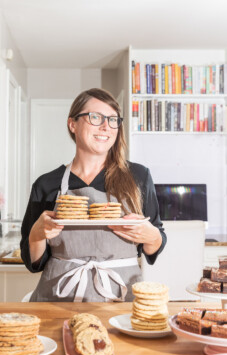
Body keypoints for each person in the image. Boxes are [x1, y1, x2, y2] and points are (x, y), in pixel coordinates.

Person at [20, 88, 167, 303]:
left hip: (121, 294)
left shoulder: (138, 176)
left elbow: (156, 242)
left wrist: (150, 236)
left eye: (113, 119)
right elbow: (33, 262)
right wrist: (36, 235)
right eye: (95, 117)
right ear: (73, 124)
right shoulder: (46, 184)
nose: (106, 126)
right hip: (59, 298)